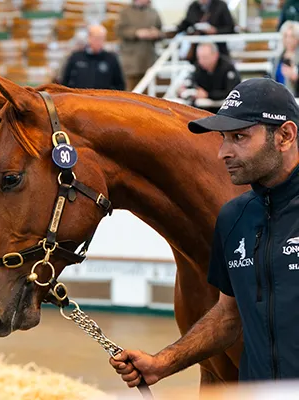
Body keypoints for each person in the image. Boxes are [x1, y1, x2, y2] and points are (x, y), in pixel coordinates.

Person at [110, 78, 299, 384]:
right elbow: (228, 315)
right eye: (223, 138)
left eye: (239, 137)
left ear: (285, 136)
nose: (223, 152)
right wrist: (162, 363)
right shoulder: (234, 218)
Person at [179, 42, 241, 113]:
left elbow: (232, 92)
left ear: (215, 55)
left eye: (205, 57)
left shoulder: (228, 68)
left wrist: (207, 95)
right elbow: (190, 81)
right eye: (199, 58)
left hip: (224, 109)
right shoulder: (198, 67)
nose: (201, 61)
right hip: (203, 108)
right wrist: (184, 89)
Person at [116, 0, 163, 91]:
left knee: (149, 95)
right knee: (131, 94)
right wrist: (136, 33)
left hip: (149, 59)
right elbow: (119, 30)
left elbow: (161, 32)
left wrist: (156, 34)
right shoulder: (125, 12)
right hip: (131, 61)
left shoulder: (153, 12)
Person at [61, 24, 125, 90]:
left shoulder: (111, 59)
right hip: (79, 98)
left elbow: (119, 85)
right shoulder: (76, 57)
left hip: (102, 98)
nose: (99, 41)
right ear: (89, 38)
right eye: (96, 38)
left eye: (102, 38)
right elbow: (65, 81)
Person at [273, 20, 299, 96]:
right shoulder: (277, 58)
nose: (288, 40)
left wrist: (296, 78)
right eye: (286, 36)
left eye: (292, 36)